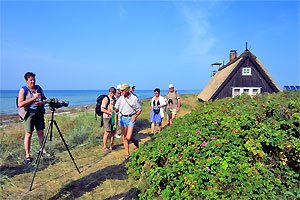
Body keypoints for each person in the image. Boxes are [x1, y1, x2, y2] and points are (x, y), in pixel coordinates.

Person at [17, 72, 48, 164]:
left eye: (34, 79)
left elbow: (44, 100)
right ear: (26, 81)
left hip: (38, 113)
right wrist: (33, 99)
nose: (33, 81)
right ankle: (27, 155)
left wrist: (41, 103)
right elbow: (20, 104)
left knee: (41, 133)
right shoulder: (23, 90)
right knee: (28, 134)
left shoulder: (38, 88)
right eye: (31, 80)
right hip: (28, 114)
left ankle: (44, 151)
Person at [115, 83, 142, 160]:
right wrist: (113, 109)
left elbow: (139, 110)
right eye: (121, 90)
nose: (121, 92)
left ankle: (135, 142)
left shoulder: (134, 98)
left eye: (123, 90)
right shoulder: (120, 98)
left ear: (127, 90)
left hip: (131, 118)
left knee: (128, 137)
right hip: (123, 118)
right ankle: (127, 154)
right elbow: (116, 108)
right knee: (124, 137)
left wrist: (135, 117)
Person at [101, 87, 117, 152]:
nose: (112, 94)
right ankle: (104, 147)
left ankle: (111, 146)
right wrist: (110, 113)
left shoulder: (114, 99)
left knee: (113, 132)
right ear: (109, 92)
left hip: (113, 117)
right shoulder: (106, 99)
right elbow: (102, 109)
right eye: (111, 93)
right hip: (106, 117)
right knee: (107, 132)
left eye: (113, 93)